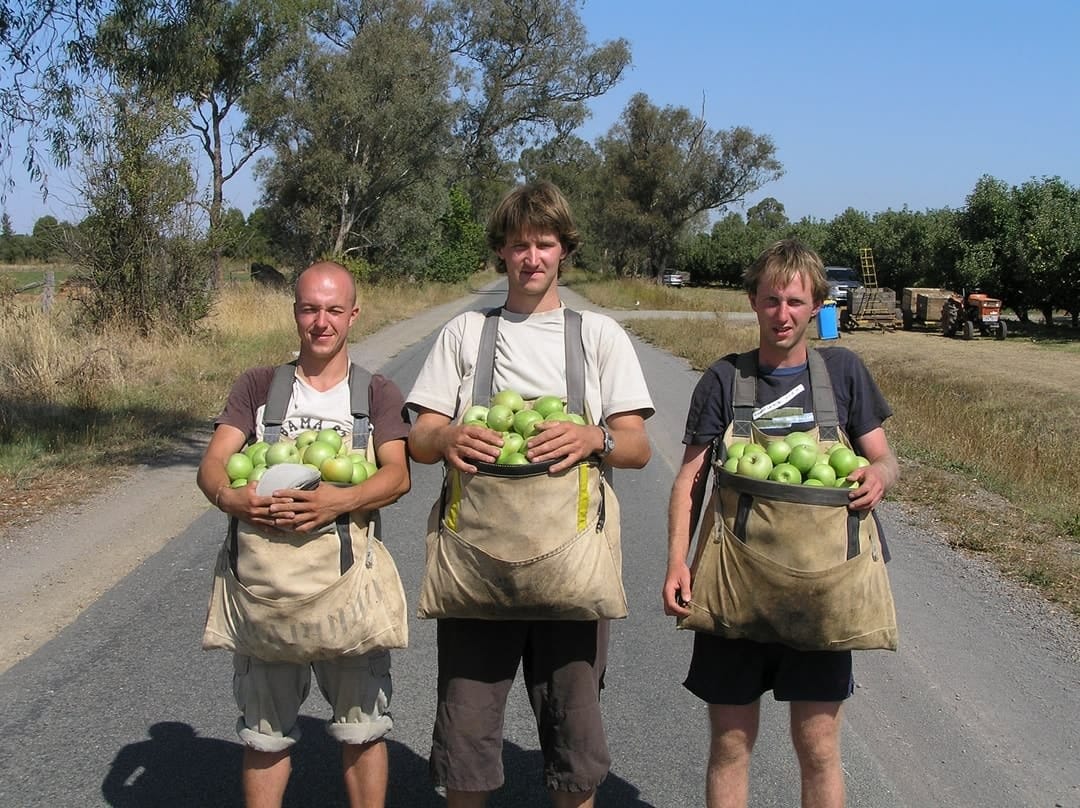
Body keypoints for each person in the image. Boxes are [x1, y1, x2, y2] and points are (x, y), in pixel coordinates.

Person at [406, 180, 654, 808]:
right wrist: (449, 438)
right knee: (465, 743)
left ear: (564, 250)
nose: (532, 258)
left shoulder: (598, 336)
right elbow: (421, 434)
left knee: (575, 750)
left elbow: (636, 444)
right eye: (519, 245)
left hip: (571, 570)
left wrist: (590, 436)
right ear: (501, 253)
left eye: (545, 244)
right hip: (477, 568)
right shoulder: (465, 335)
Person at [662, 239, 900, 808]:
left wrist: (881, 477)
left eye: (796, 301)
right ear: (753, 302)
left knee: (819, 745)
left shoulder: (842, 371)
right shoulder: (724, 379)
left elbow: (884, 456)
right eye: (772, 301)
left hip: (821, 591)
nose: (783, 314)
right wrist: (677, 560)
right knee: (731, 743)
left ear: (815, 304)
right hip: (736, 590)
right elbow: (690, 480)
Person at [196, 261, 411, 808]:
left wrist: (339, 500)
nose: (321, 322)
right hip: (268, 593)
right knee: (264, 734)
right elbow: (214, 465)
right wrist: (230, 496)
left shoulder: (376, 392)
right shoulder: (258, 387)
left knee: (362, 729)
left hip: (346, 593)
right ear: (295, 313)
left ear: (353, 315)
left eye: (334, 310)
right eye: (310, 309)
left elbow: (397, 475)